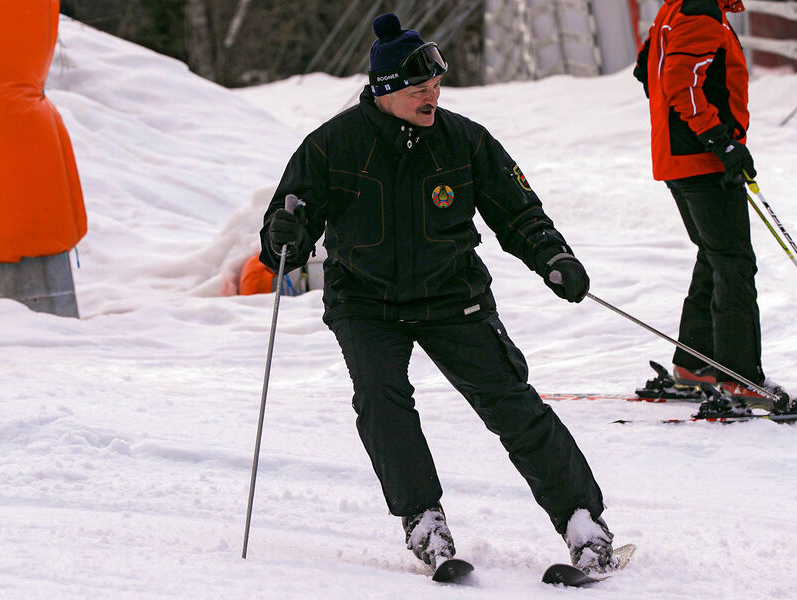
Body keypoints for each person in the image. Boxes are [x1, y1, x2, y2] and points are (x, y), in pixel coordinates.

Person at [259, 12, 621, 576]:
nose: (432, 95)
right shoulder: (332, 145)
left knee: (511, 402)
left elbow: (519, 212)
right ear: (384, 91)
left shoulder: (465, 141)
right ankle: (423, 520)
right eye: (418, 88)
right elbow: (290, 218)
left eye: (435, 85)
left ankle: (584, 524)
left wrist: (553, 257)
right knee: (382, 400)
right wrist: (284, 237)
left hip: (453, 296)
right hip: (366, 301)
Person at [633, 0, 795, 406]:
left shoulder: (676, 8)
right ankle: (740, 379)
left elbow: (645, 68)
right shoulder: (699, 11)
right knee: (733, 262)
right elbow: (678, 83)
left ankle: (695, 363)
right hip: (702, 163)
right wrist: (719, 140)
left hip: (680, 159)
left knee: (715, 255)